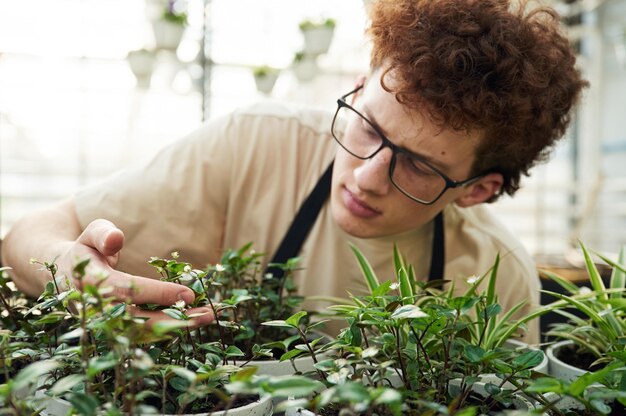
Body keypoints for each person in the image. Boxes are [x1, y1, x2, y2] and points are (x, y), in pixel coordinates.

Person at [1, 0, 587, 343]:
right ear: (357, 87)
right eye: (368, 128)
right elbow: (30, 234)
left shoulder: (496, 279)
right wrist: (69, 270)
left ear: (478, 191)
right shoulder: (257, 142)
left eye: (419, 165)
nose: (366, 176)